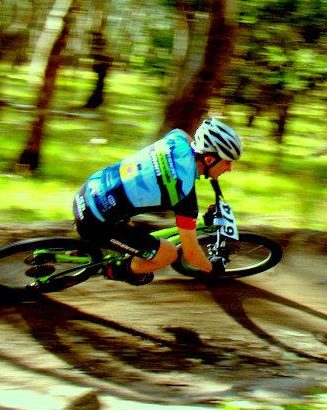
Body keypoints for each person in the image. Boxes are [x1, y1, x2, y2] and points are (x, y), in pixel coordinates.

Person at [72, 117, 243, 285]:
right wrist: (212, 269)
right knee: (168, 253)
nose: (229, 169)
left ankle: (86, 248)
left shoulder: (178, 138)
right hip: (94, 222)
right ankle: (116, 270)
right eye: (227, 162)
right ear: (209, 160)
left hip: (87, 190)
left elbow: (187, 147)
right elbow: (191, 255)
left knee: (126, 215)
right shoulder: (183, 196)